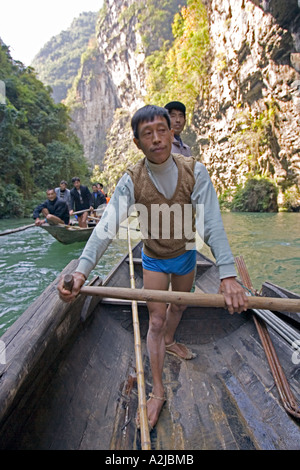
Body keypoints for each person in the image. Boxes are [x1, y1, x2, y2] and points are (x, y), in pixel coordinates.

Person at [58, 105, 248, 430]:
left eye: (162, 130)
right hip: (155, 258)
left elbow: (211, 222)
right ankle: (157, 390)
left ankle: (171, 340)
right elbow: (106, 228)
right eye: (148, 134)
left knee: (179, 305)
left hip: (187, 254)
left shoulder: (194, 171)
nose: (157, 139)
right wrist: (81, 271)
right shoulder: (131, 180)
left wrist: (228, 274)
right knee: (156, 320)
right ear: (137, 142)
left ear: (172, 133)